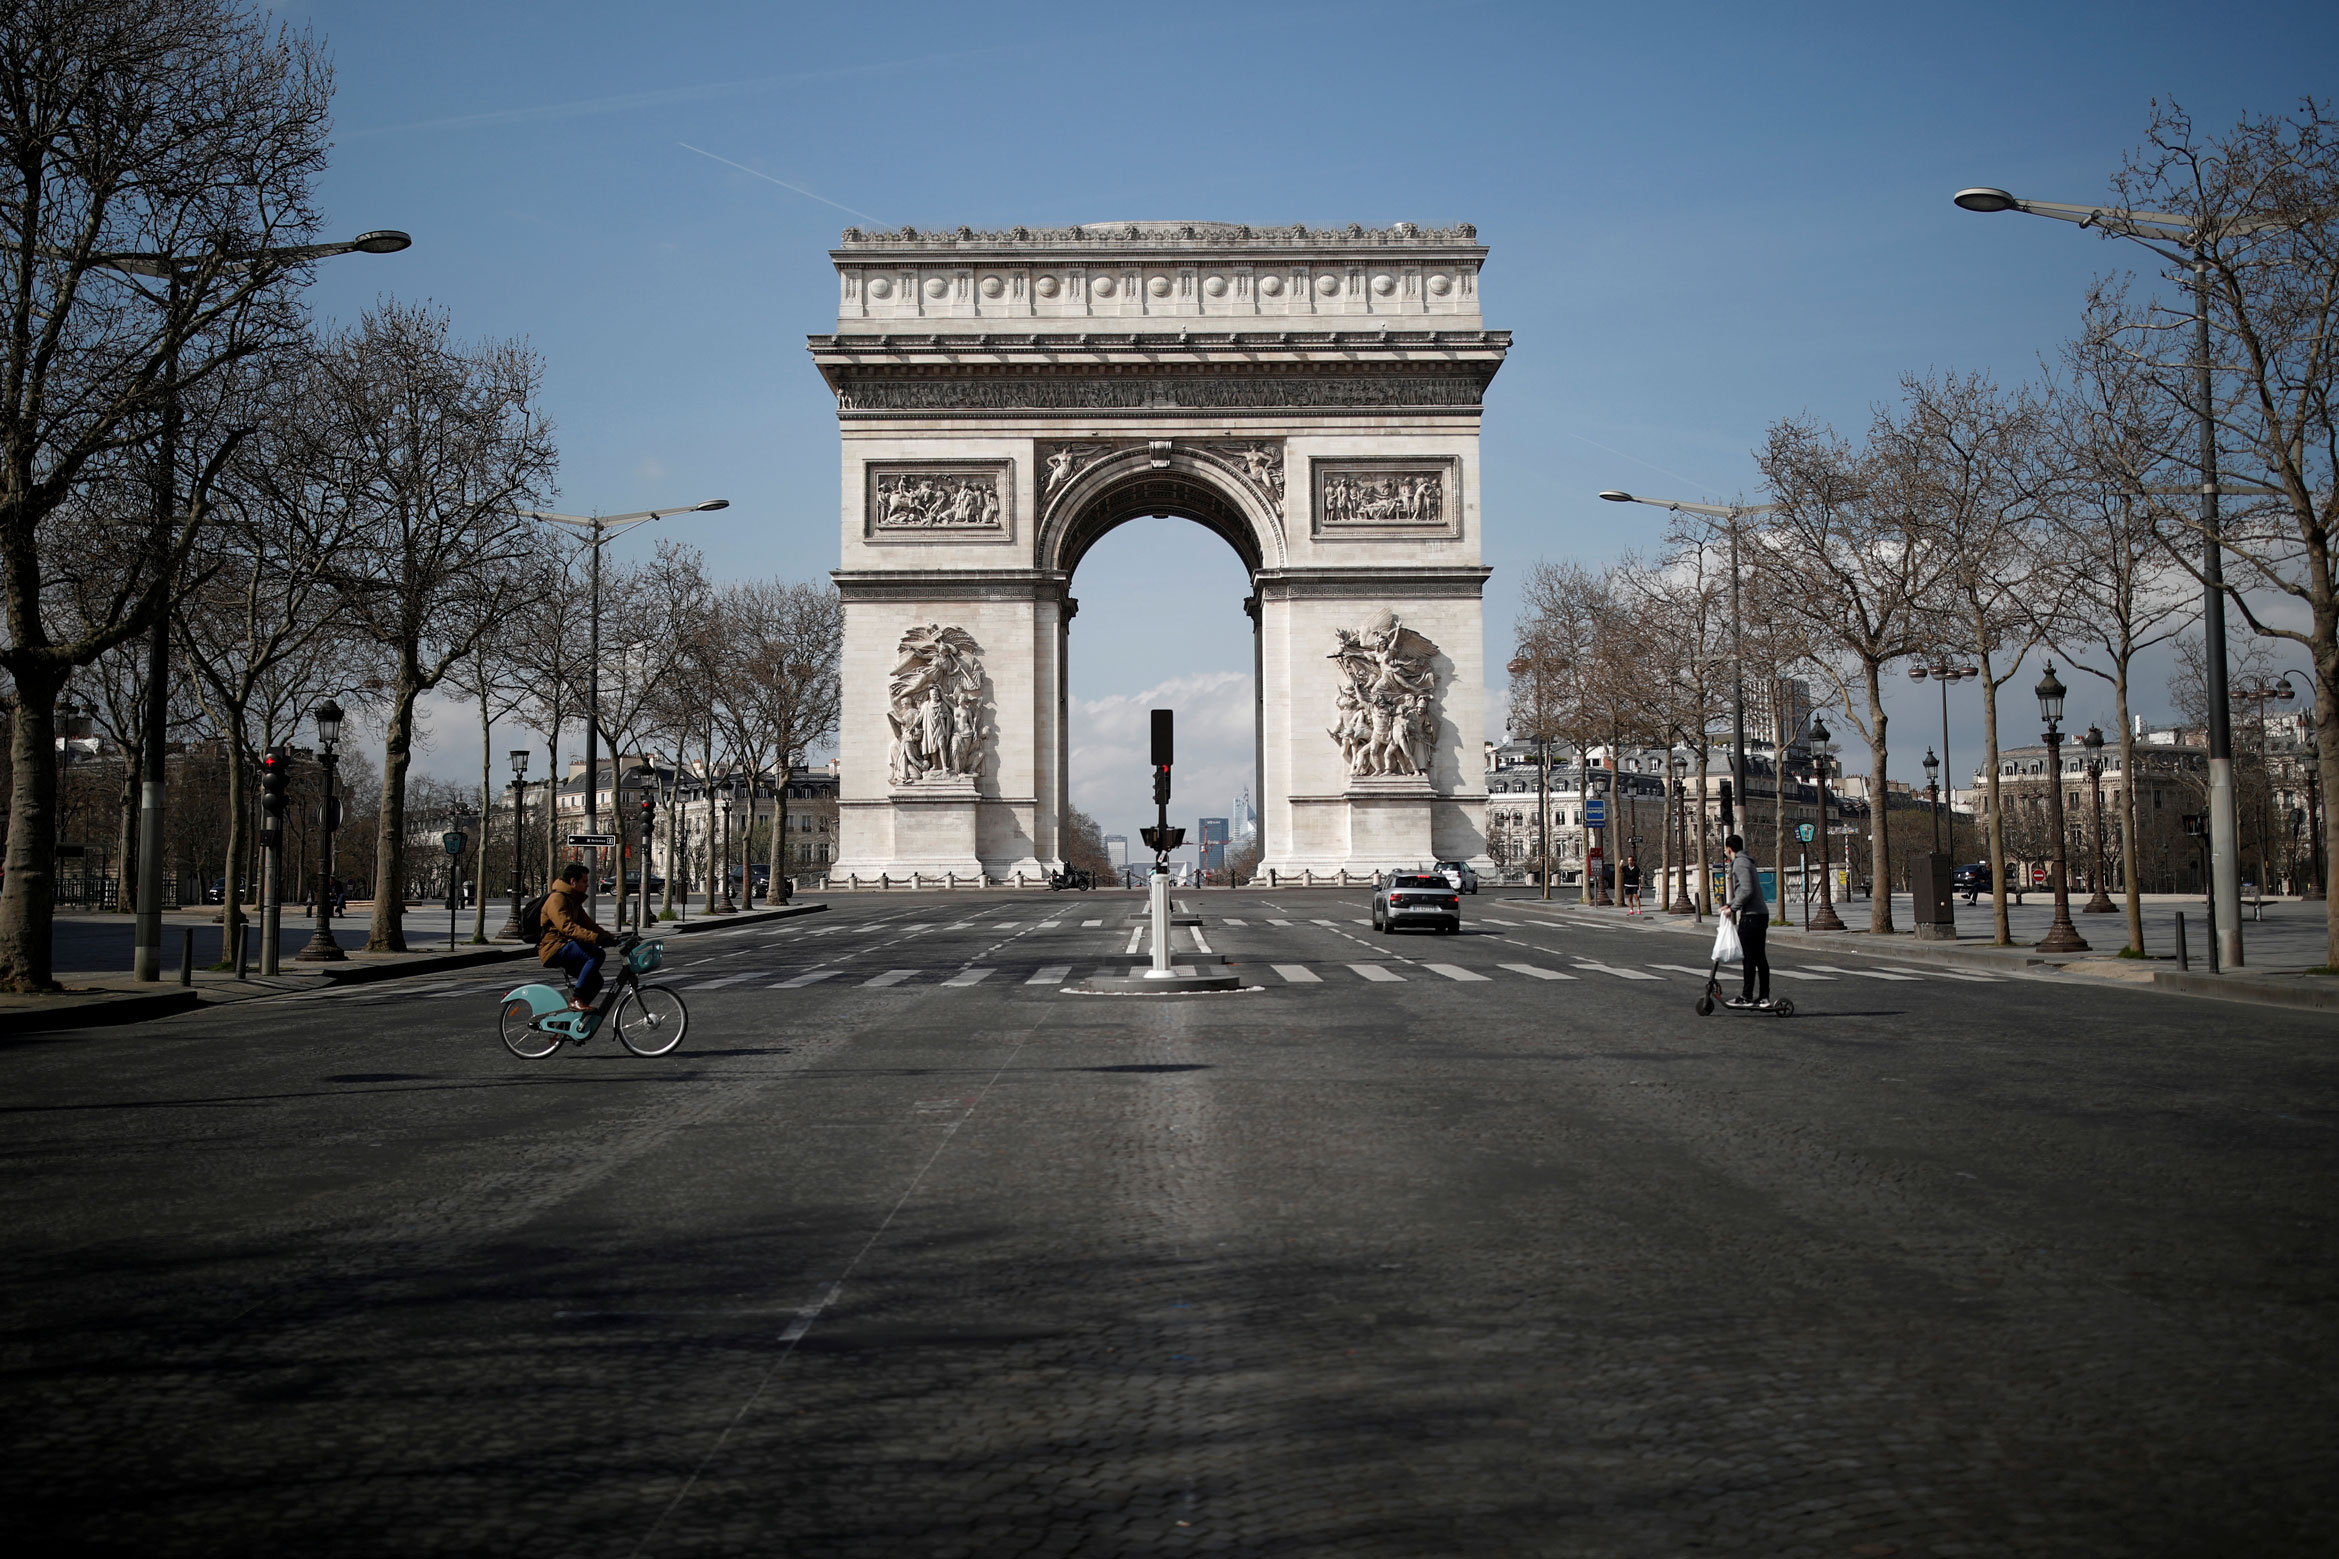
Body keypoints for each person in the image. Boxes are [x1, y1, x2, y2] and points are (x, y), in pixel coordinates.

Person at [538, 861, 617, 1012]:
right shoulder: (557, 899)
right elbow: (567, 927)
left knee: (596, 981)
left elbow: (589, 925)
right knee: (596, 954)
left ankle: (575, 1017)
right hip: (553, 948)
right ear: (573, 882)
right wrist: (595, 938)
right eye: (585, 881)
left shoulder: (572, 900)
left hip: (564, 944)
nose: (587, 885)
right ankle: (576, 999)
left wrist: (610, 937)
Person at [1723, 834, 1771, 1009]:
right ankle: (1764, 997)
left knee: (1749, 957)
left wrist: (1733, 908)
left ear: (1729, 848)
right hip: (1759, 914)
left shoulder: (1740, 863)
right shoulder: (1747, 861)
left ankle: (1747, 995)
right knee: (1759, 958)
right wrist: (1730, 904)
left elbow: (1746, 889)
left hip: (1751, 916)